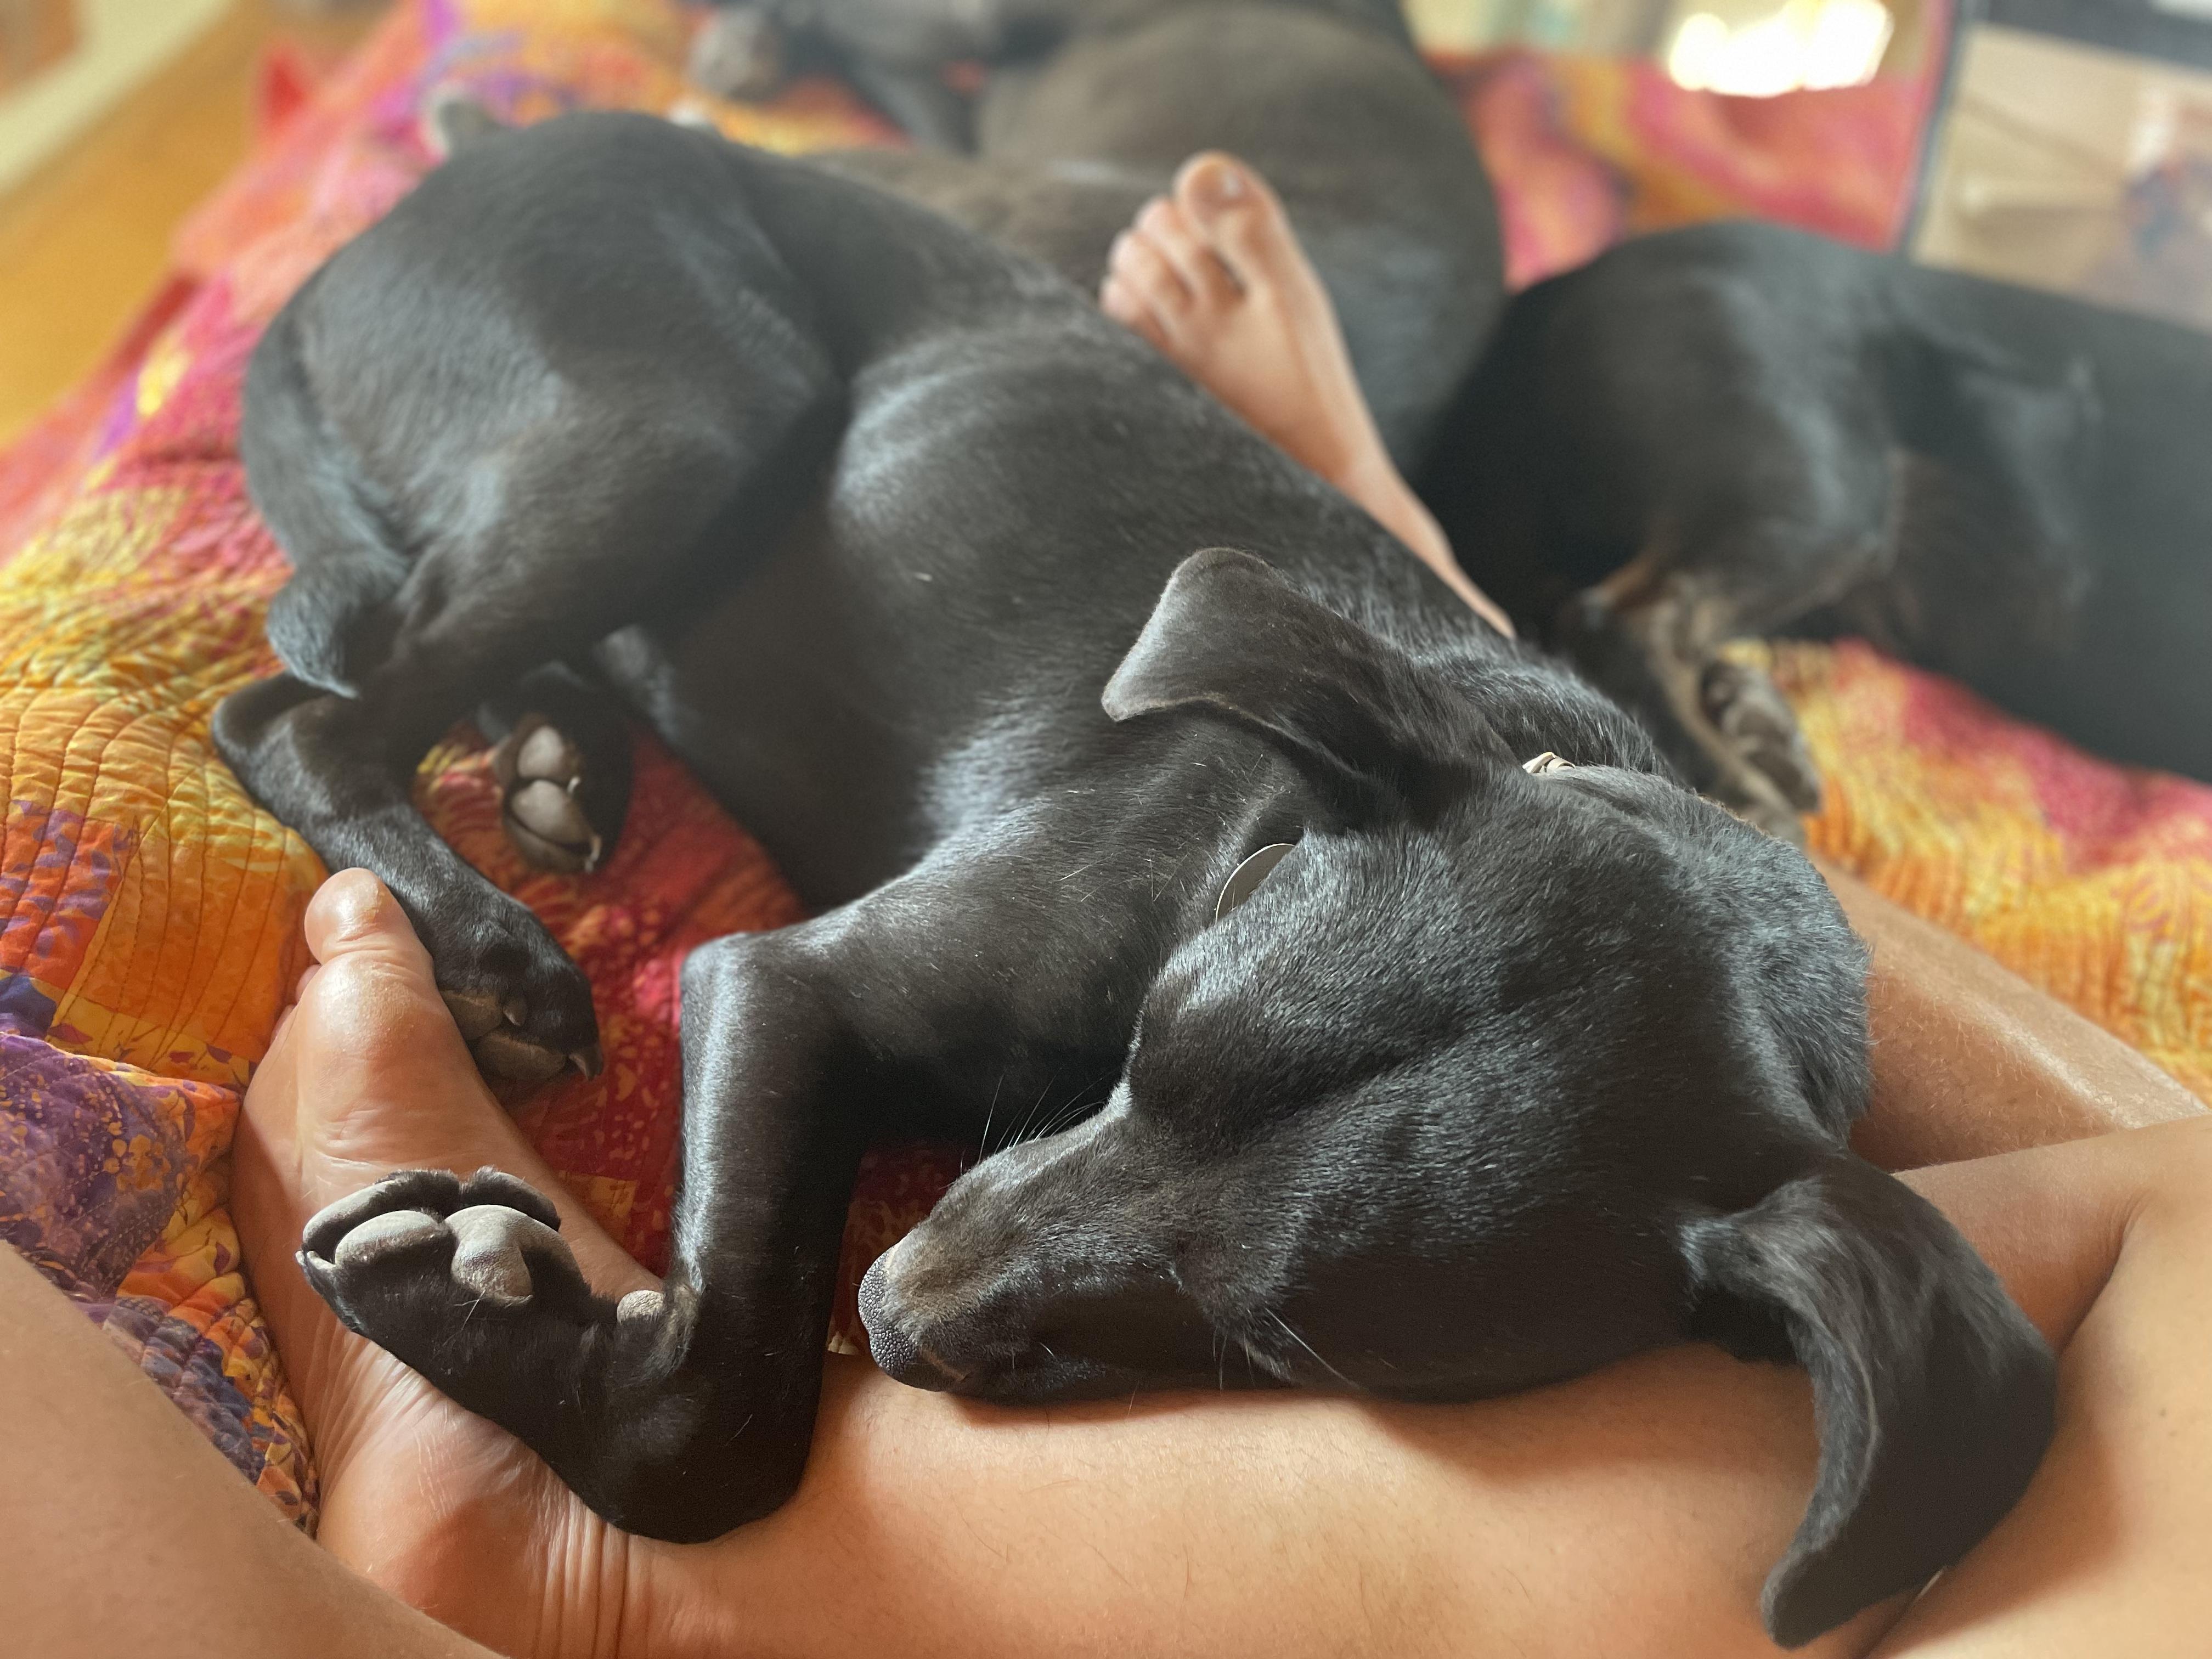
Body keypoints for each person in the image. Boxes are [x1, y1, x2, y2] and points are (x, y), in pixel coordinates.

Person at [10, 154, 2211, 1659]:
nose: (949, 1294)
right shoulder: (1266, 803)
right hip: (646, 253)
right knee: (670, 441)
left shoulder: (1611, 1133)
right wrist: (730, 1377)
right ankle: (369, 714)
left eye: (1274, 1331)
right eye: (1160, 1081)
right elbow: (778, 991)